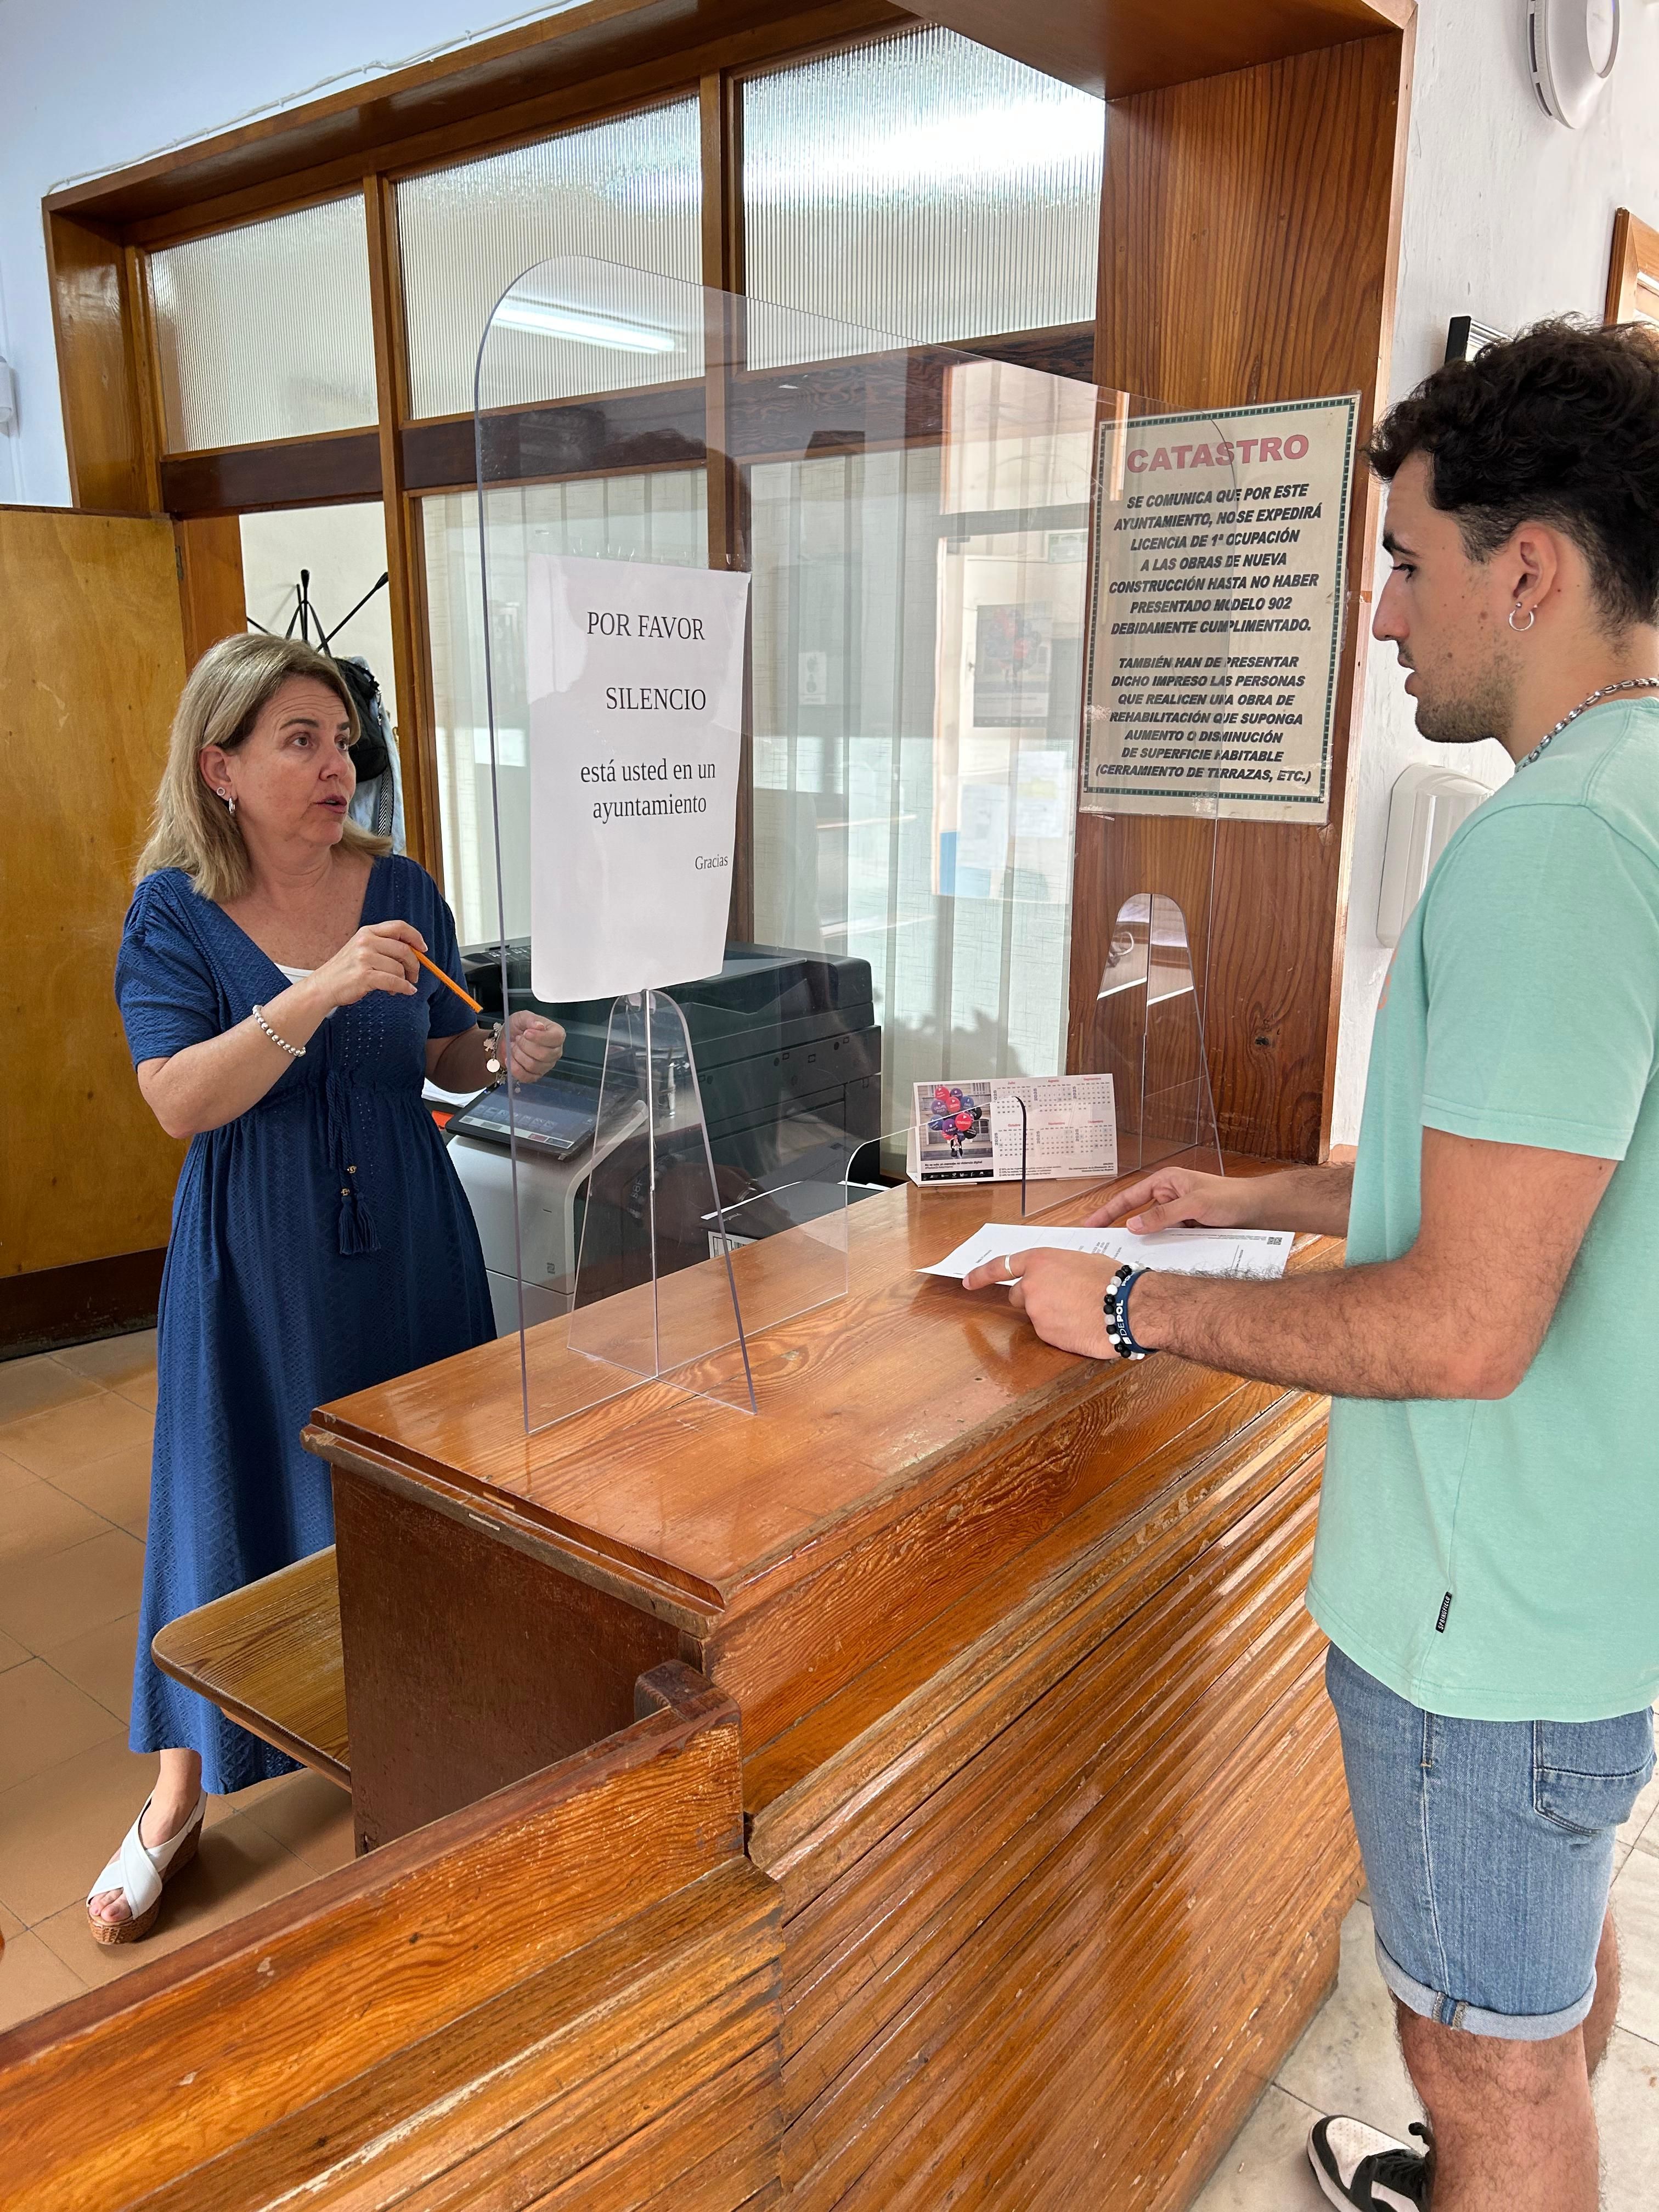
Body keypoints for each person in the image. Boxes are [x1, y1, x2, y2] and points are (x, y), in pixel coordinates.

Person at [966, 318, 1659, 2211]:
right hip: (1585, 1580)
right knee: (1532, 1983)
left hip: (1483, 1615)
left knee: (1483, 2060)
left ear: (1528, 570)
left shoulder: (1551, 850)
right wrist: (1258, 1188)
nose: (1378, 623)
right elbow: (1538, 1179)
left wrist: (1128, 1303)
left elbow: (1462, 1320)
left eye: (1405, 566)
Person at [90, 635, 564, 1943]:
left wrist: (497, 1053)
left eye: (344, 739)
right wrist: (320, 989)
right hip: (259, 1250)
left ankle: (426, 1748)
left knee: (418, 1493)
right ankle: (179, 1792)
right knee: (227, 1489)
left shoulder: (400, 882)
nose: (334, 765)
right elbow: (181, 1098)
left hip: (409, 1234)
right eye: (299, 739)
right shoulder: (174, 912)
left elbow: (444, 1054)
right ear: (221, 766)